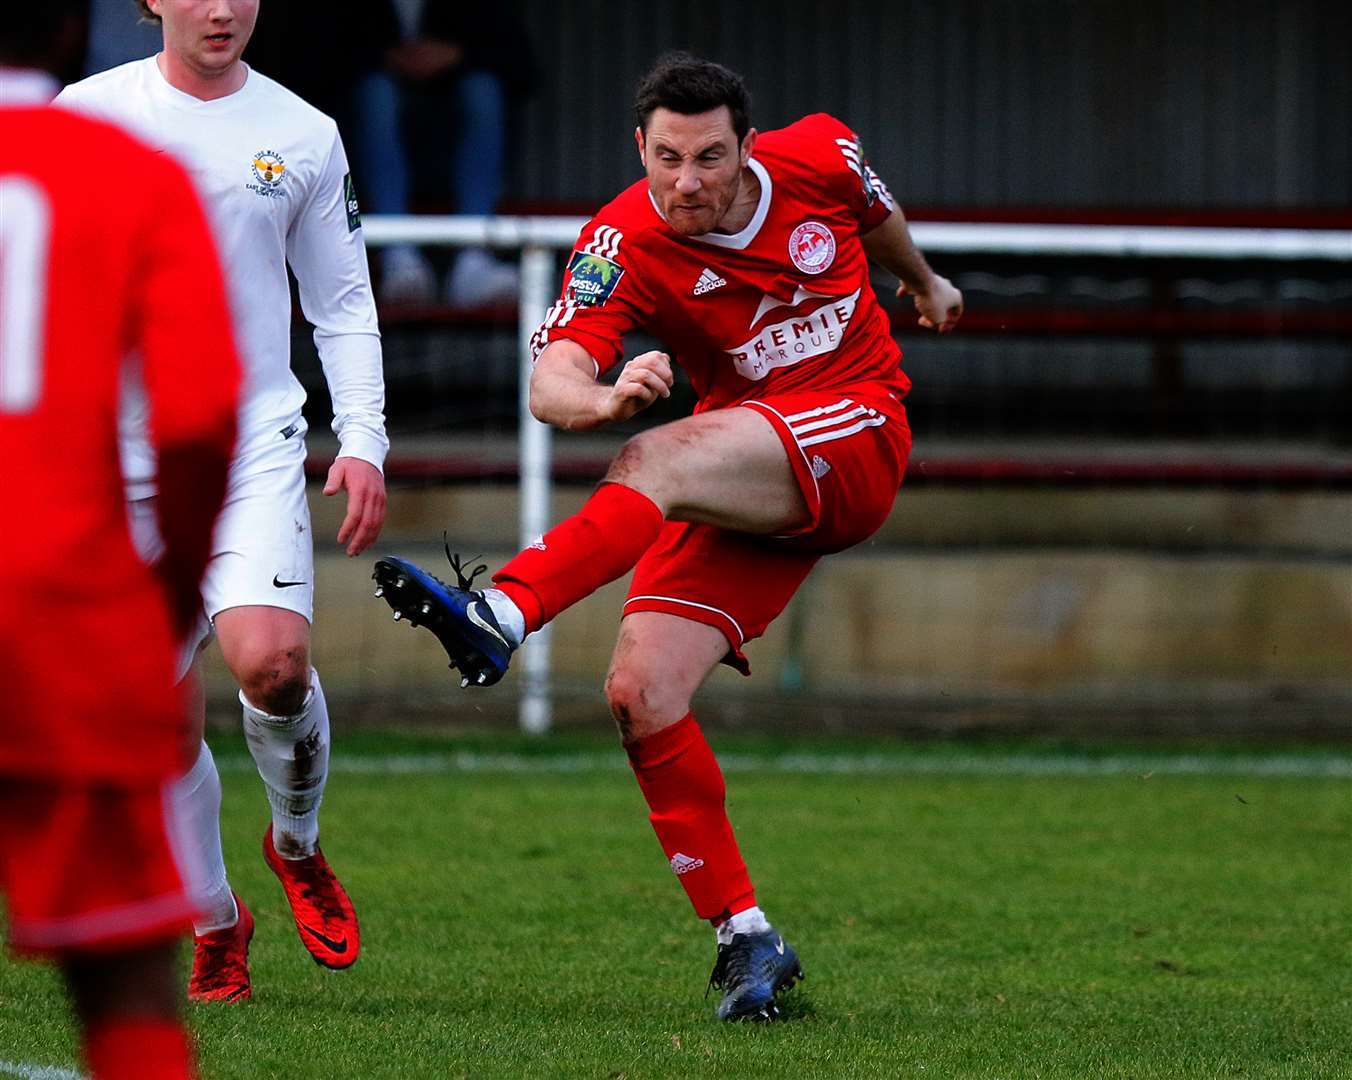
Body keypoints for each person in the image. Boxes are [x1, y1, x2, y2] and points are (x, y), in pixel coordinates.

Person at [372, 52, 964, 1021]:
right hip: (746, 472)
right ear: (637, 147)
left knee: (655, 459)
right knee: (638, 693)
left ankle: (501, 612)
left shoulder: (819, 153)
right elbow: (549, 377)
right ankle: (747, 937)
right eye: (666, 157)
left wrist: (925, 284)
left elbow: (874, 213)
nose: (686, 180)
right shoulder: (620, 238)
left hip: (857, 429)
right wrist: (599, 395)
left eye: (709, 157)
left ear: (747, 146)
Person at [56, 0, 389, 1002]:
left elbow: (339, 304)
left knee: (272, 664)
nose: (219, 7)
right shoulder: (85, 117)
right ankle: (215, 920)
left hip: (247, 440)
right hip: (113, 458)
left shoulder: (302, 133)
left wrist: (364, 439)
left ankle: (296, 845)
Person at [0, 4, 239, 1075]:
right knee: (126, 977)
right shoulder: (130, 173)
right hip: (62, 609)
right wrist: (170, 605)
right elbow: (195, 422)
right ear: (67, 31)